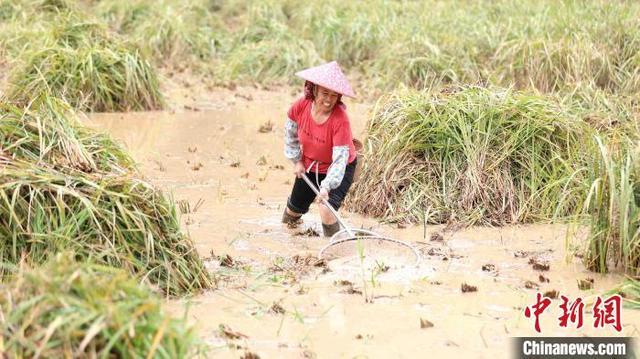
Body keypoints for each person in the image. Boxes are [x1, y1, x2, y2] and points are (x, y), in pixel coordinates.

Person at [282, 61, 358, 237]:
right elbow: (290, 134)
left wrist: (326, 186)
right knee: (292, 212)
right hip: (309, 163)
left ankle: (332, 244)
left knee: (325, 207)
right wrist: (297, 161)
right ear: (314, 90)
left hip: (338, 168)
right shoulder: (300, 106)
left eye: (334, 95)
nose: (329, 99)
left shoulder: (341, 120)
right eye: (325, 93)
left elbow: (340, 160)